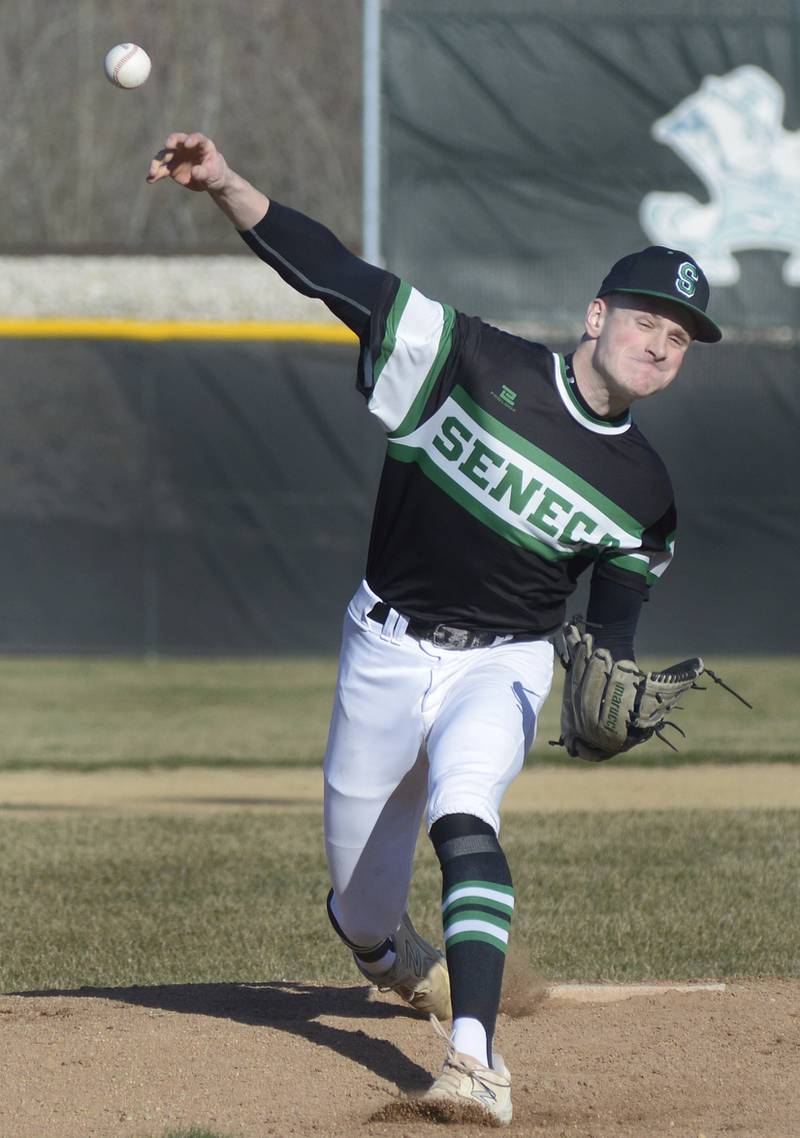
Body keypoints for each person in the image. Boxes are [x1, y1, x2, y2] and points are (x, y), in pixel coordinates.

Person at [147, 132, 722, 1126]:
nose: (660, 345)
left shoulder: (643, 495)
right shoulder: (469, 358)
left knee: (466, 816)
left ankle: (473, 1058)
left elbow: (613, 622)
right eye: (646, 320)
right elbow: (334, 275)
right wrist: (229, 185)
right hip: (381, 645)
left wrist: (608, 680)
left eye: (678, 339)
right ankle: (401, 960)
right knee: (360, 919)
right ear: (596, 315)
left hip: (499, 664)